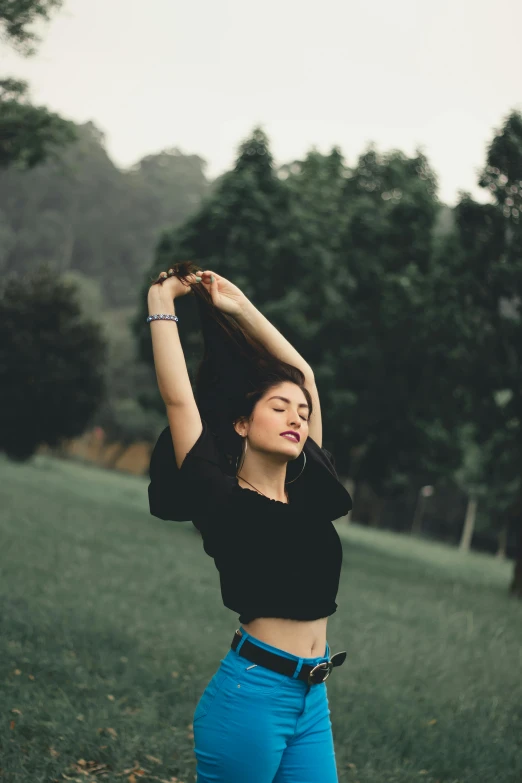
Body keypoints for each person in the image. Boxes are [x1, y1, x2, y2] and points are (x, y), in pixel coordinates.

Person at [146, 261, 352, 783]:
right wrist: (161, 303)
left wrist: (240, 308)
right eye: (279, 408)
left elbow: (303, 374)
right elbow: (178, 398)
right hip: (252, 698)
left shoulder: (309, 492)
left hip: (312, 700)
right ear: (241, 422)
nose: (297, 417)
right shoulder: (222, 499)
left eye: (302, 413)